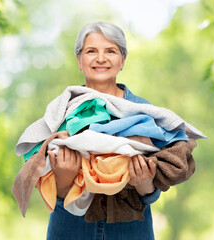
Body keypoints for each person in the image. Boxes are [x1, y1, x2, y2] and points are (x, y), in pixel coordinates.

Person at [46, 21, 161, 240]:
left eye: (111, 51)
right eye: (91, 51)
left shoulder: (143, 111)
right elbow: (45, 183)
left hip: (131, 228)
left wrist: (144, 183)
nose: (101, 58)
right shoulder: (61, 110)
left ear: (123, 60)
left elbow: (157, 186)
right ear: (79, 60)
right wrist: (64, 179)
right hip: (70, 227)